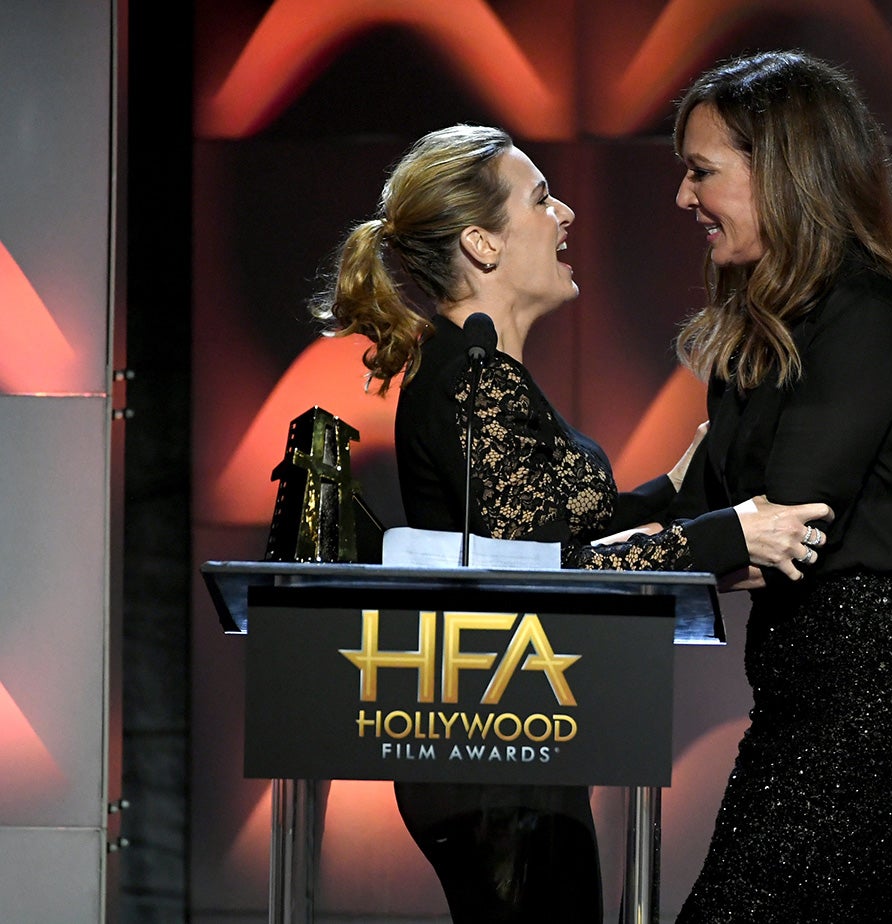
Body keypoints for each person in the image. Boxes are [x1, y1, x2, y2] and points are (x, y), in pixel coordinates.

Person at [310, 124, 832, 923]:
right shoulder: (470, 379)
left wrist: (675, 491)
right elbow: (540, 571)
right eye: (543, 197)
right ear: (482, 245)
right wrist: (727, 536)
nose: (568, 216)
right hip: (493, 748)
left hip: (518, 736)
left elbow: (558, 538)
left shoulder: (483, 374)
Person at [663, 50, 892, 922]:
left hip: (876, 706)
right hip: (802, 700)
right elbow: (707, 517)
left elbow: (784, 529)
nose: (686, 199)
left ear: (784, 172)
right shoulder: (759, 329)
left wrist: (661, 548)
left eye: (702, 172)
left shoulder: (866, 311)